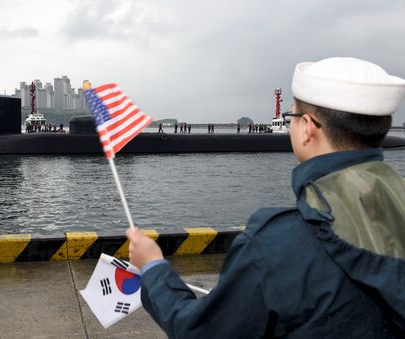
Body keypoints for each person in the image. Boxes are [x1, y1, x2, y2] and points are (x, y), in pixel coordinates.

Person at [126, 57, 405, 338]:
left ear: (307, 127)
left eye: (291, 117)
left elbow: (197, 332)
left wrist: (153, 268)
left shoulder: (273, 246)